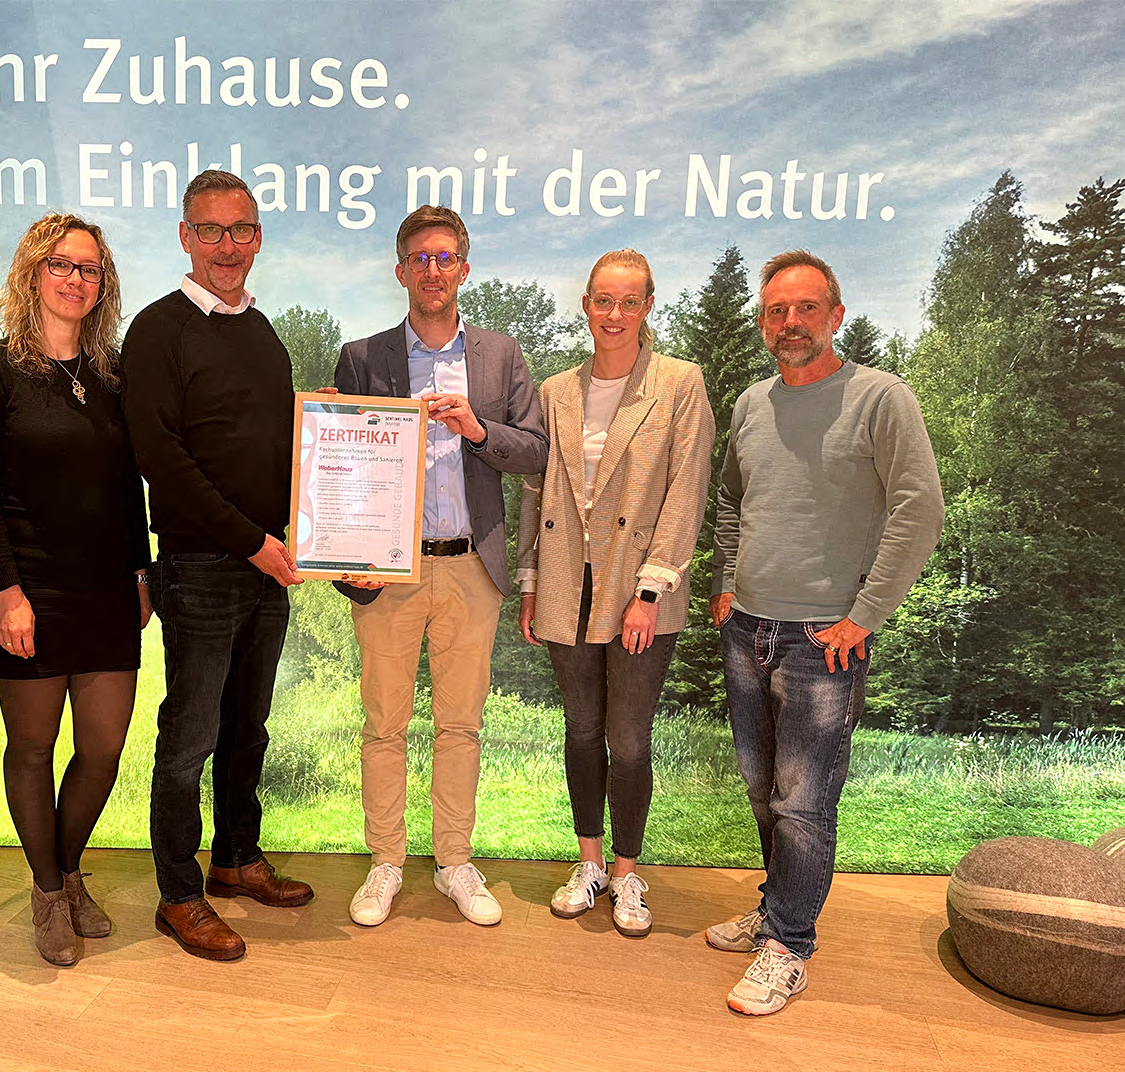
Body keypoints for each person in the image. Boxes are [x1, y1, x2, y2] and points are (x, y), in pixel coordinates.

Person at [704, 250, 944, 1015]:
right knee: (763, 791)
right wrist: (727, 580)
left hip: (822, 641)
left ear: (835, 315)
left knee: (804, 802)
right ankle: (776, 911)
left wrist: (865, 614)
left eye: (807, 307)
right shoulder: (751, 404)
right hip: (747, 629)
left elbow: (920, 509)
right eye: (777, 310)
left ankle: (789, 948)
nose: (791, 322)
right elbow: (731, 500)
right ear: (763, 323)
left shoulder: (881, 398)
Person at [331, 205, 548, 929]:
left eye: (445, 257)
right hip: (390, 570)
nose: (432, 269)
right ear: (401, 272)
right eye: (419, 258)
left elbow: (535, 452)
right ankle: (386, 862)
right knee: (383, 724)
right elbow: (340, 469)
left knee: (461, 725)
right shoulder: (363, 358)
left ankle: (454, 860)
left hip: (470, 566)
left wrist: (477, 430)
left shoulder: (500, 357)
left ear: (464, 269)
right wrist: (346, 557)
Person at [121, 169, 312, 961]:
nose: (227, 246)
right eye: (210, 230)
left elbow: (281, 448)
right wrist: (252, 542)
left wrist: (337, 450)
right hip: (201, 566)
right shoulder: (156, 330)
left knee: (247, 727)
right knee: (190, 735)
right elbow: (162, 461)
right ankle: (178, 894)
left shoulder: (263, 333)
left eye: (241, 230)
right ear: (186, 237)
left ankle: (235, 858)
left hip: (266, 564)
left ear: (257, 237)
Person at [0, 213, 150, 968]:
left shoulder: (113, 375)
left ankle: (70, 872)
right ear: (32, 272)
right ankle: (45, 891)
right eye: (61, 264)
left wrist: (141, 571)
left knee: (102, 749)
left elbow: (129, 486)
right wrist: (5, 590)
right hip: (30, 588)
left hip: (107, 589)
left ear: (104, 284)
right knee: (33, 748)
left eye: (89, 268)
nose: (75, 278)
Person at [517, 249, 713, 938]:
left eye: (630, 302)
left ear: (648, 306)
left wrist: (650, 591)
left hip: (638, 592)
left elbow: (687, 490)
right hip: (566, 583)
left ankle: (628, 873)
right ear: (586, 306)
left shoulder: (679, 382)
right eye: (604, 300)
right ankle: (590, 864)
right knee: (581, 731)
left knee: (628, 739)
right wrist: (531, 581)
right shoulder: (555, 392)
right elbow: (536, 490)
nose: (615, 314)